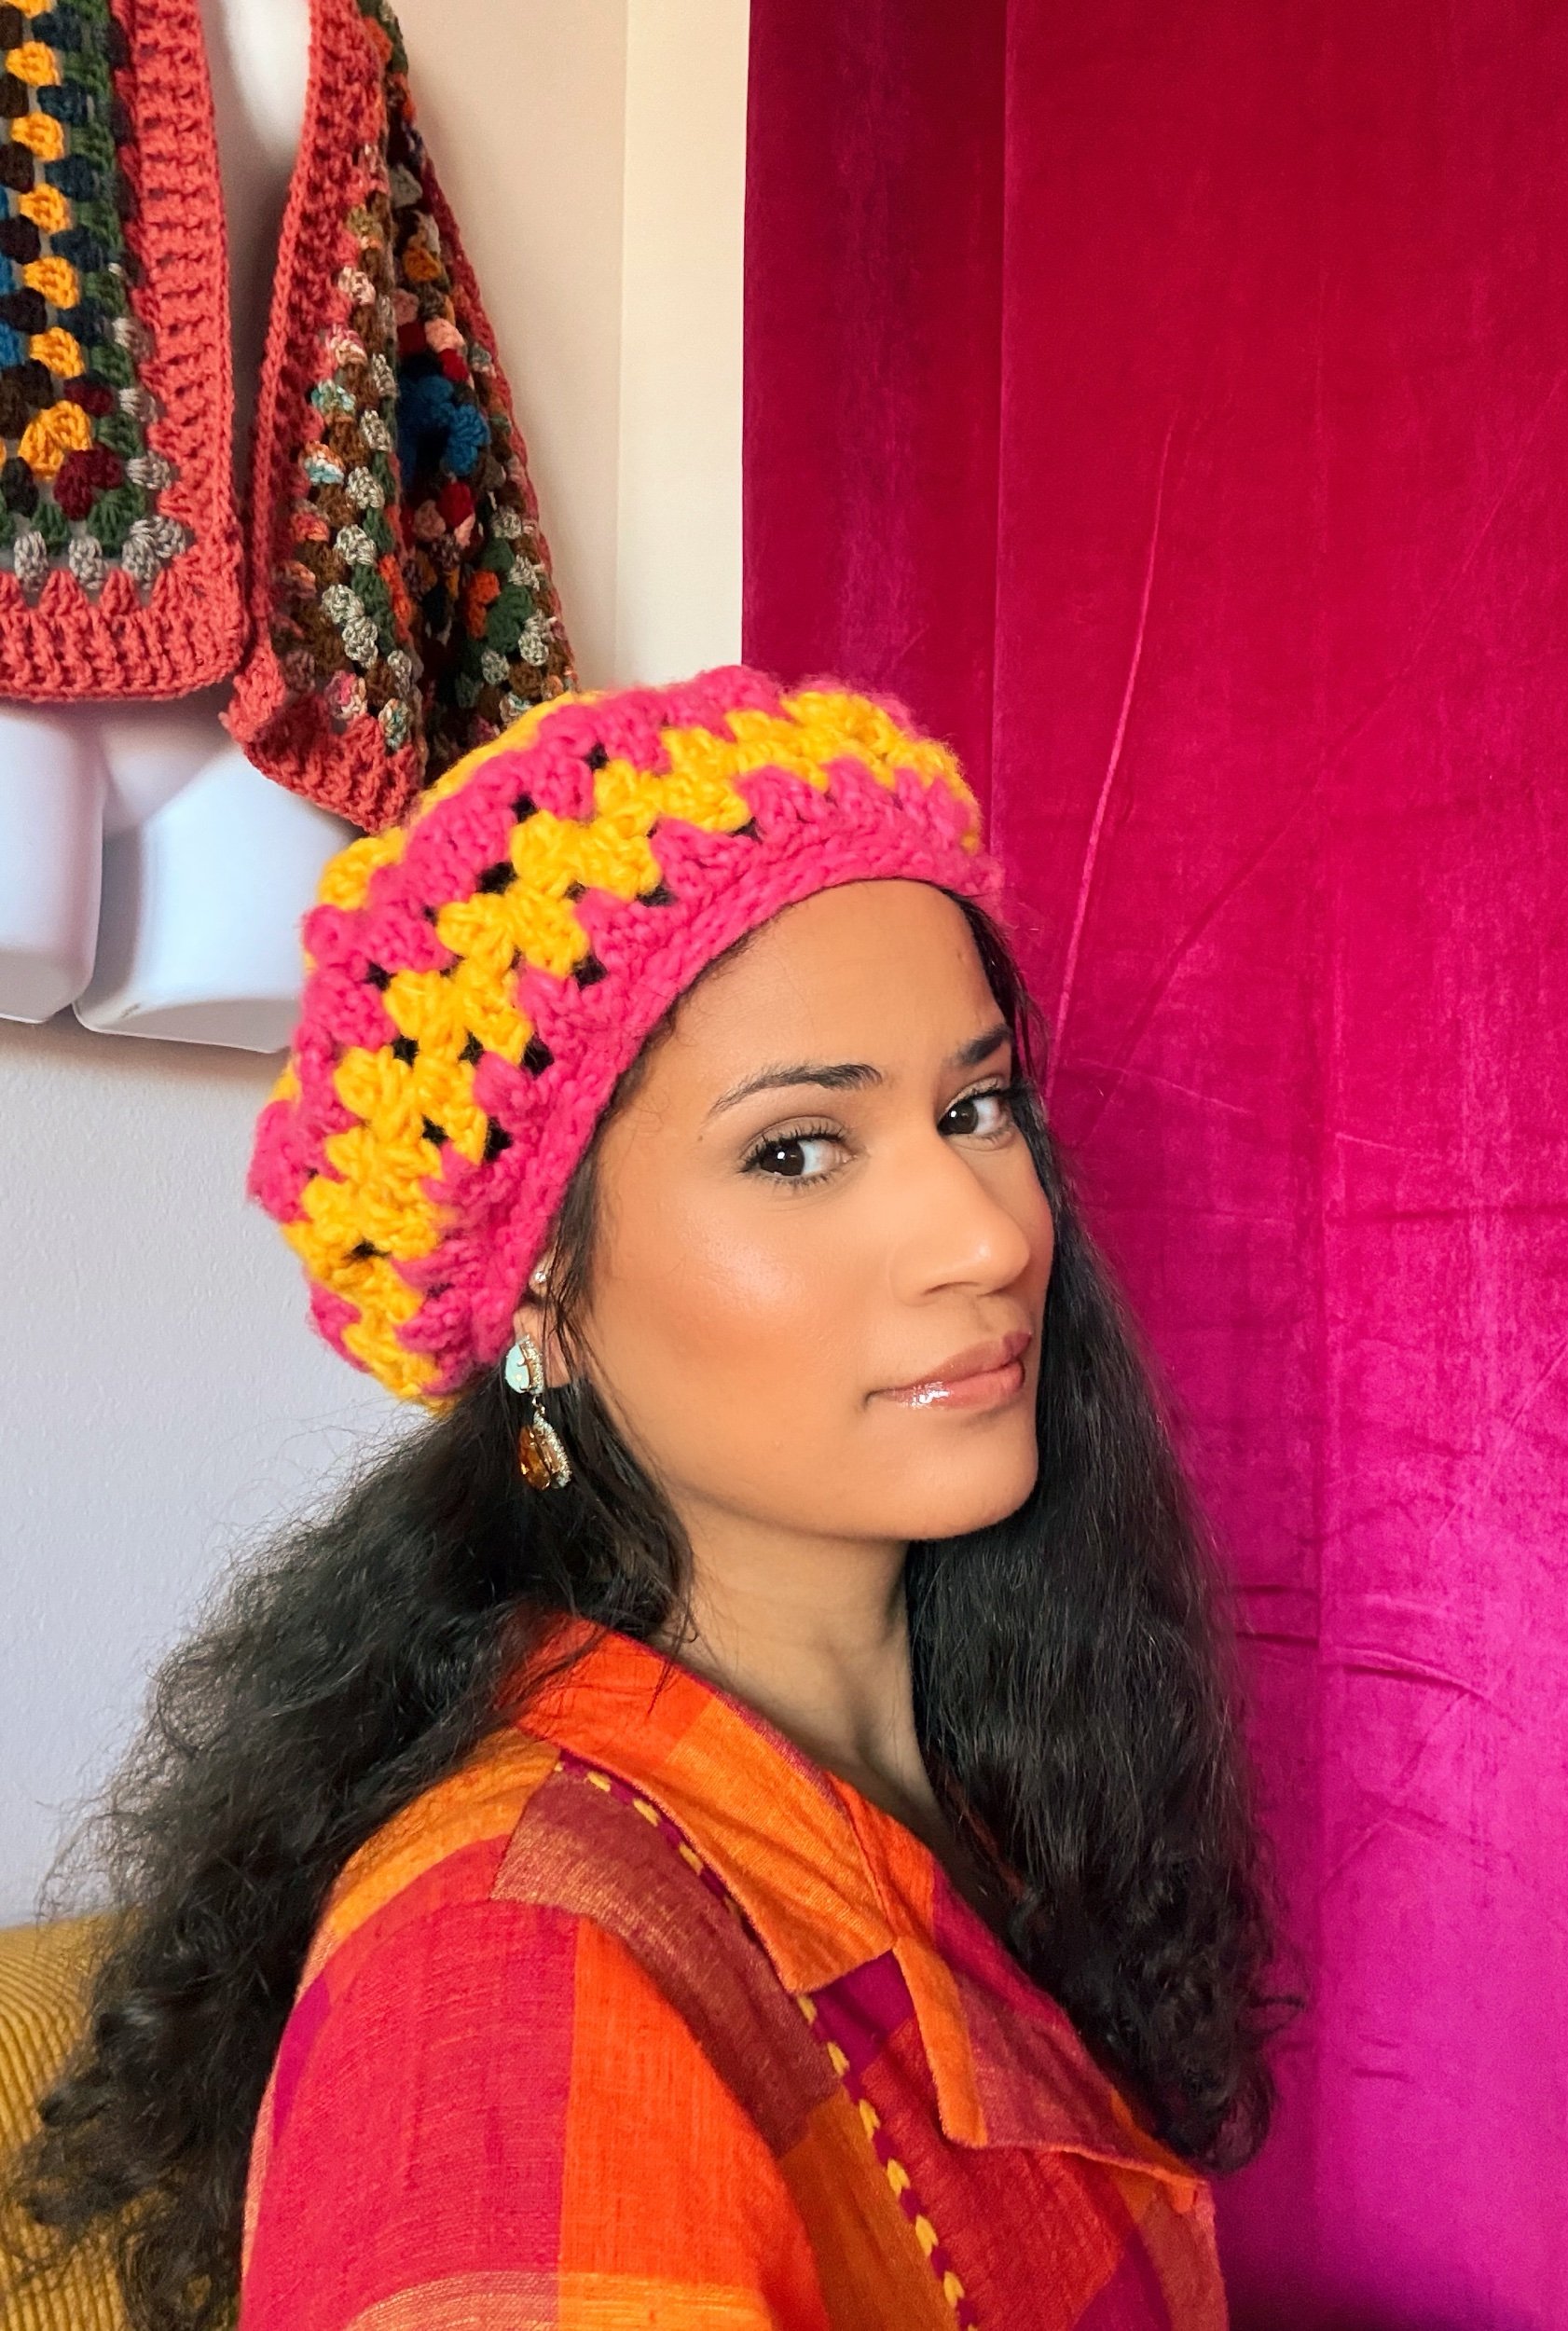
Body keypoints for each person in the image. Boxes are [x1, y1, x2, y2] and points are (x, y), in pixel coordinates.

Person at [7, 666, 1287, 2330]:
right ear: (542, 1289)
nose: (989, 1235)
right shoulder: (509, 1982)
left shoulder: (993, 1780)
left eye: (975, 1110)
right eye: (797, 1150)